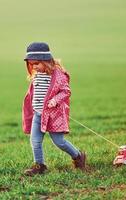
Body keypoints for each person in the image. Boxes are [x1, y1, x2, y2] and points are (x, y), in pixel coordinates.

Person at [22, 42, 87, 176]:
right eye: (32, 64)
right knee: (35, 140)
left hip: (53, 116)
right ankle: (39, 165)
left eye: (37, 64)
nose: (34, 67)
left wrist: (54, 100)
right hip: (38, 115)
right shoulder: (37, 75)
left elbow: (66, 91)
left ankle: (78, 156)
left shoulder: (57, 75)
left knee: (59, 142)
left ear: (45, 61)